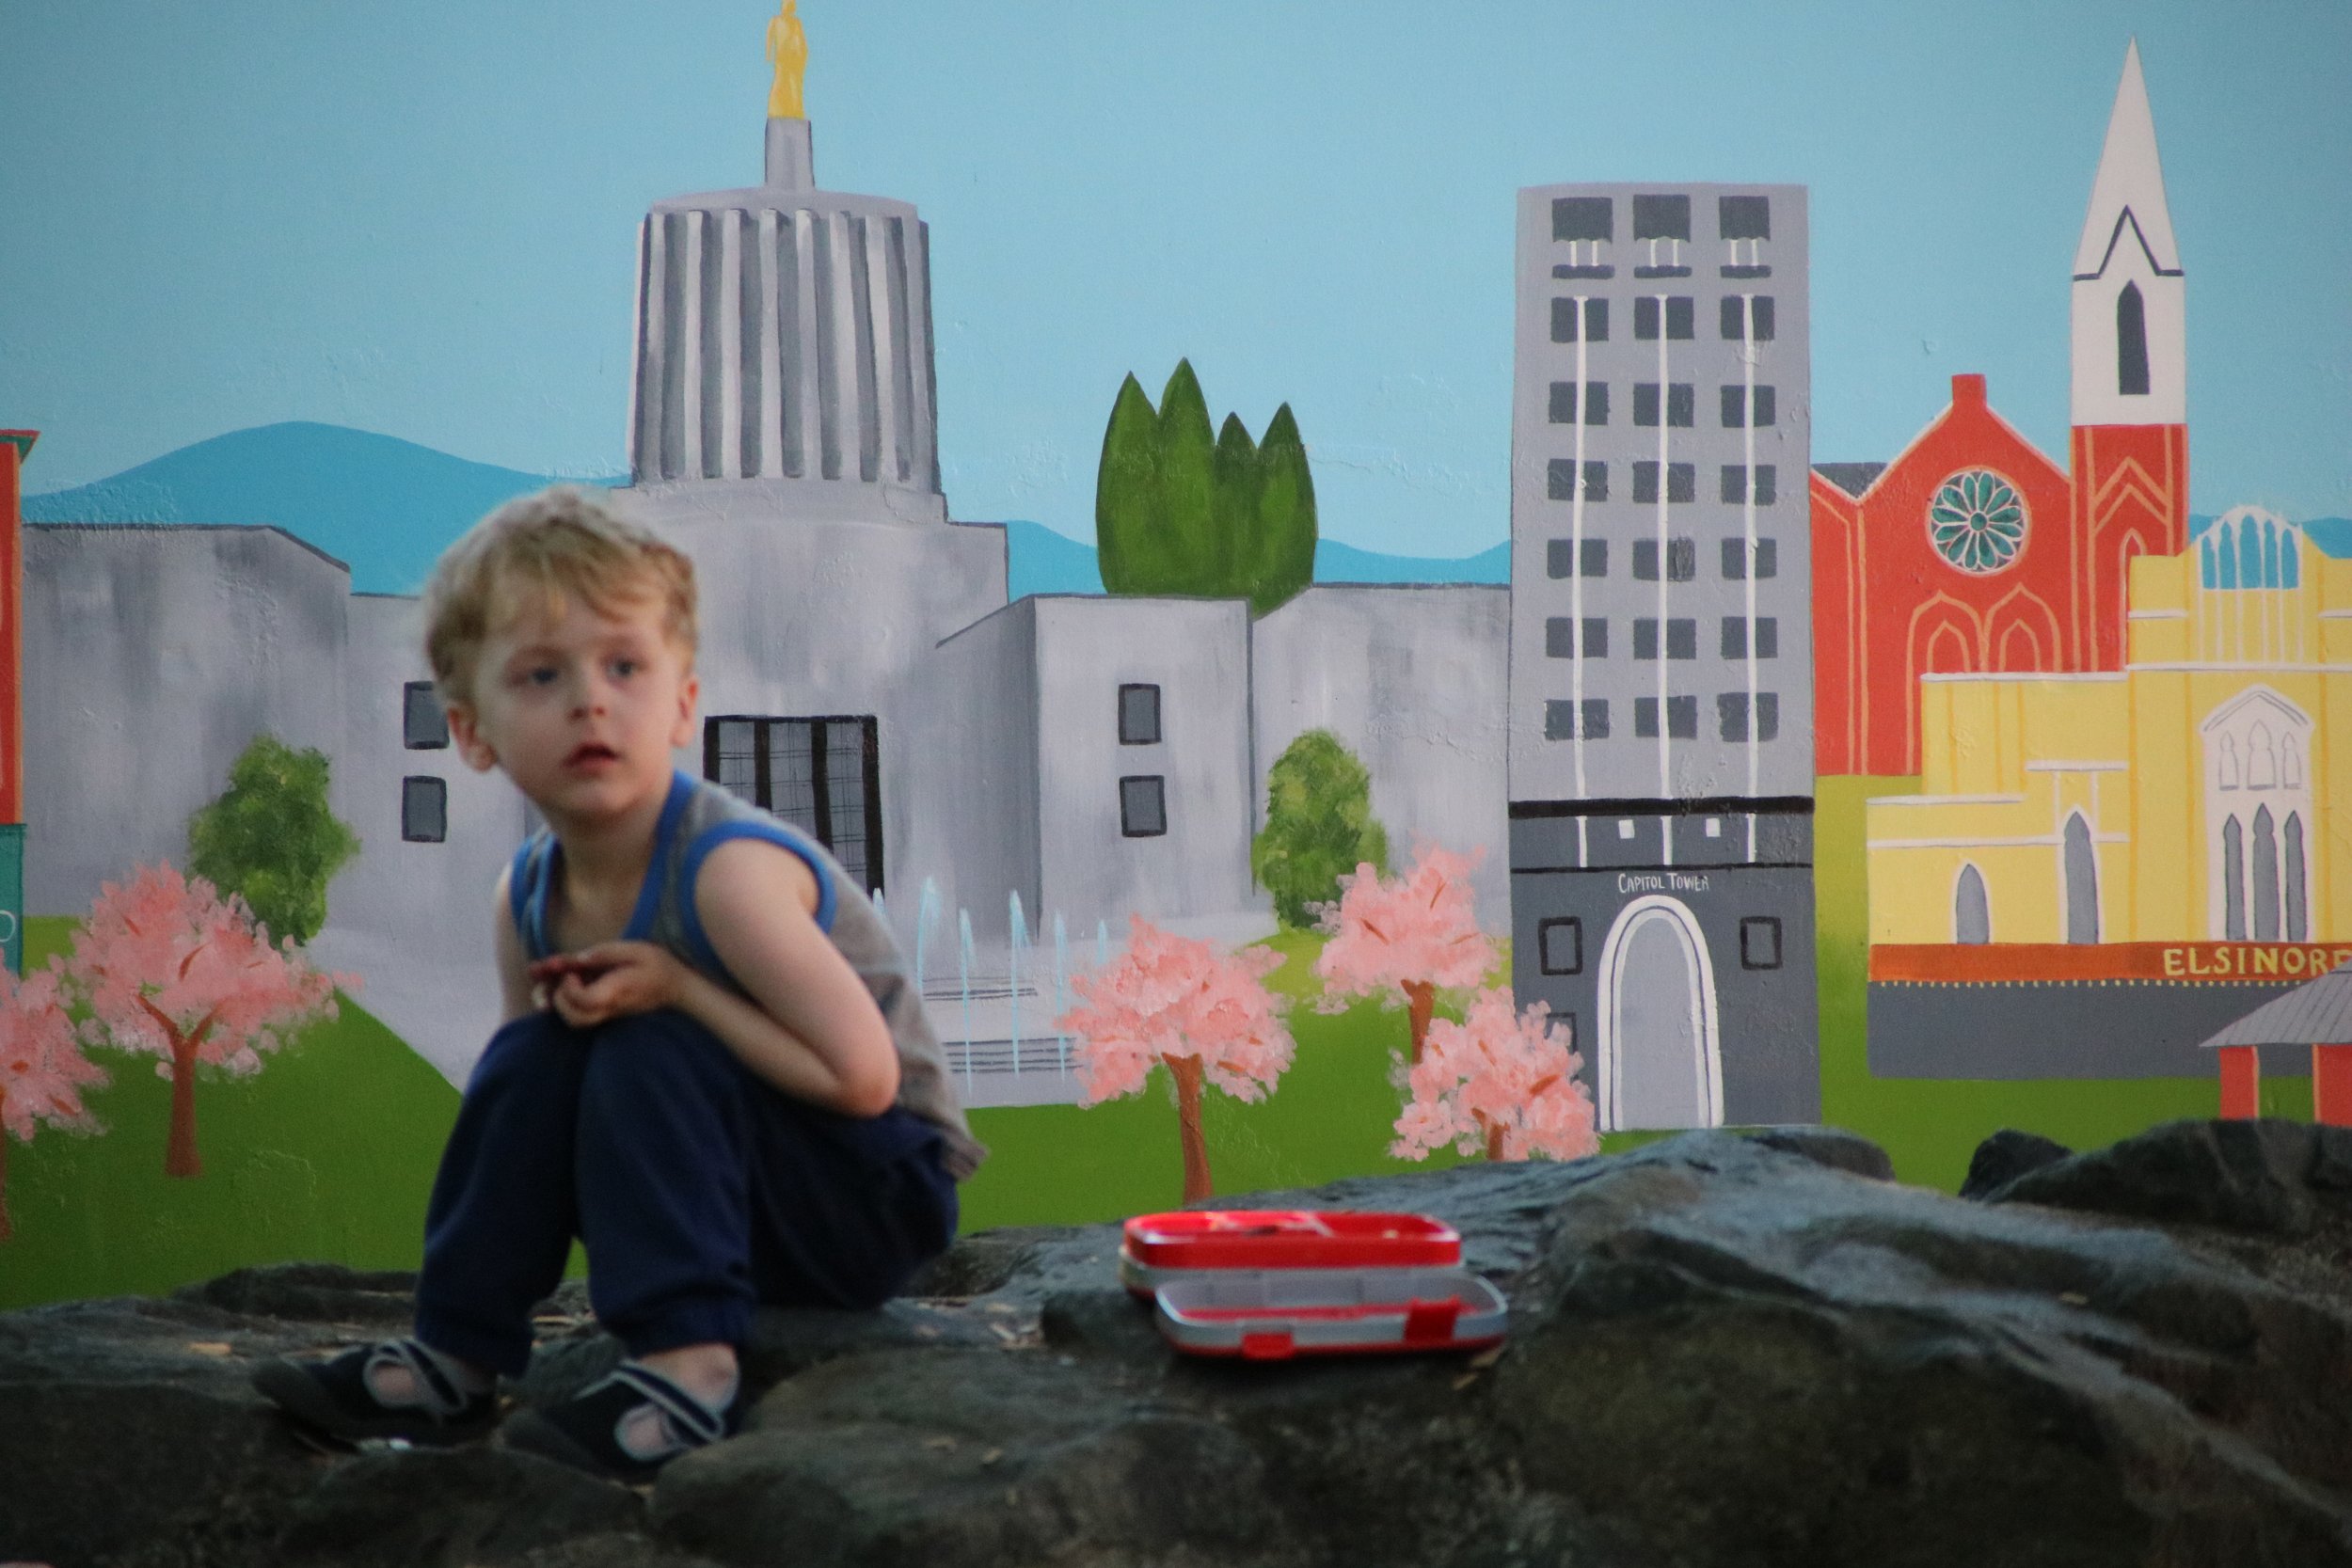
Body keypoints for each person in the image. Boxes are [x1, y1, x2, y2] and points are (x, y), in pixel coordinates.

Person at [253, 486, 983, 1481]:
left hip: (866, 1192)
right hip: (722, 1196)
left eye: (624, 666)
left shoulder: (725, 872)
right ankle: (455, 1356)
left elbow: (864, 1082)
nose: (590, 700)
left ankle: (688, 1368)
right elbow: (539, 1111)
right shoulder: (530, 893)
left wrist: (682, 988)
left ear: (683, 705)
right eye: (542, 674)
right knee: (538, 1047)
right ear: (472, 730)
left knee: (647, 1035)